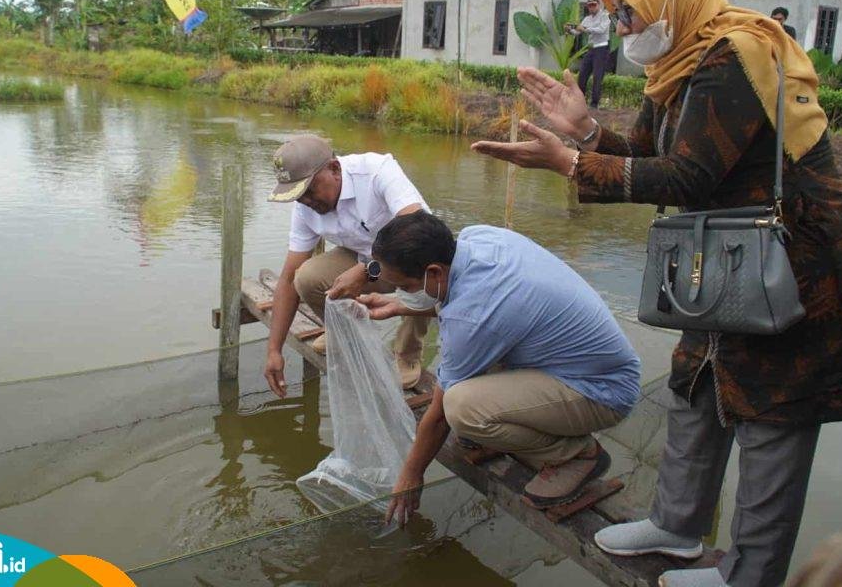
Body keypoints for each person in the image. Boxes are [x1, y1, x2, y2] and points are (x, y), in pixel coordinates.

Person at [472, 0, 842, 587]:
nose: (622, 28)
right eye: (616, 16)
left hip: (791, 267)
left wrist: (574, 163)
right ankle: (677, 525)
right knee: (694, 388)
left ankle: (749, 575)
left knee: (774, 417)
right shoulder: (675, 65)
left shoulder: (735, 56)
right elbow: (647, 155)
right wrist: (584, 133)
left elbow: (688, 177)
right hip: (723, 262)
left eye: (629, 12)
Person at [358, 211, 641, 521]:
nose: (406, 293)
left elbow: (439, 417)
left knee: (461, 409)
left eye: (408, 287)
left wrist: (411, 474)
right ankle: (517, 430)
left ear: (434, 272)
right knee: (467, 391)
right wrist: (403, 306)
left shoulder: (475, 314)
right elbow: (472, 307)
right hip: (583, 363)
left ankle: (577, 455)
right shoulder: (476, 238)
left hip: (601, 391)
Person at [263, 134, 430, 397]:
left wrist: (367, 270)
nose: (306, 201)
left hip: (412, 254)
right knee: (305, 277)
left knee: (423, 268)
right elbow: (287, 279)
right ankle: (342, 332)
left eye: (310, 190)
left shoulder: (377, 171)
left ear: (334, 169)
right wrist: (274, 349)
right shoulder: (306, 206)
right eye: (298, 195)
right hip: (362, 256)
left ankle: (408, 353)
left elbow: (419, 233)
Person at [568, 0, 612, 107]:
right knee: (582, 74)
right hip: (591, 49)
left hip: (602, 48)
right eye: (590, 5)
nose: (591, 7)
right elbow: (578, 32)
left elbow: (601, 30)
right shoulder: (587, 19)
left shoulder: (605, 16)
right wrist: (570, 30)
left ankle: (594, 104)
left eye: (594, 5)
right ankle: (580, 101)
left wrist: (586, 29)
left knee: (597, 76)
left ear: (598, 5)